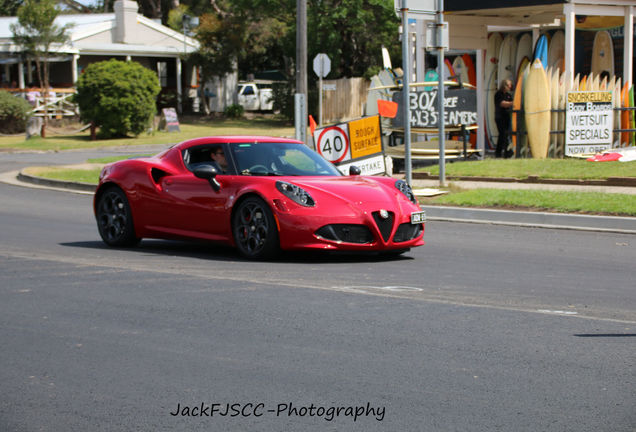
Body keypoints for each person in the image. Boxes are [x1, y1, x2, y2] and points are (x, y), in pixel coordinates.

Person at [494, 79, 514, 158]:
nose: (510, 86)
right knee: (503, 134)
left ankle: (506, 152)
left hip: (506, 117)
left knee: (505, 135)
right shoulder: (498, 94)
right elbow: (502, 104)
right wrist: (512, 103)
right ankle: (500, 152)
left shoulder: (508, 95)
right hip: (499, 117)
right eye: (509, 85)